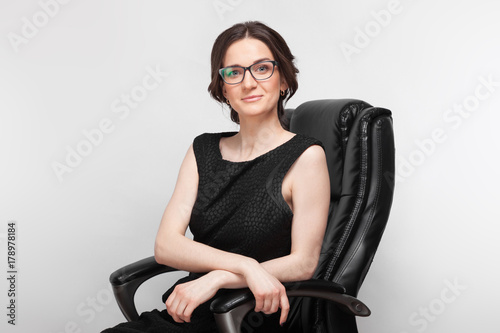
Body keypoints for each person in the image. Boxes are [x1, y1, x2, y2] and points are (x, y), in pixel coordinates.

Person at [102, 21, 330, 333]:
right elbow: (166, 245)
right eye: (234, 72)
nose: (248, 83)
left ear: (284, 80)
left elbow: (304, 262)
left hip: (251, 316)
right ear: (223, 87)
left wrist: (220, 276)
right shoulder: (203, 149)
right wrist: (245, 265)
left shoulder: (306, 157)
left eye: (262, 68)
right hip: (189, 310)